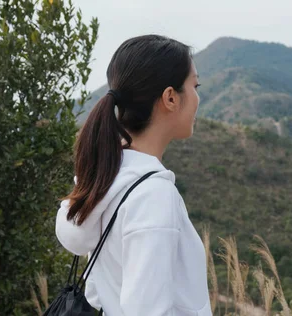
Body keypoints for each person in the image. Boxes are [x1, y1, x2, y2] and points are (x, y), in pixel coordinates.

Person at [55, 35, 211, 316]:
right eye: (195, 86)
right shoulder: (153, 196)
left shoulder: (108, 176)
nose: (198, 98)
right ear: (170, 97)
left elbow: (98, 292)